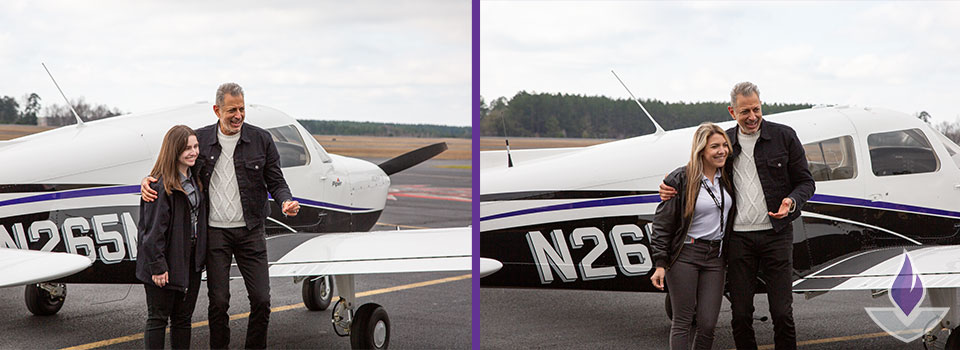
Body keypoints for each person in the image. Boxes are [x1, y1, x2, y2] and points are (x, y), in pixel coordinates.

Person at [142, 83, 301, 349]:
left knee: (261, 300)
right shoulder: (201, 140)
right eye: (231, 110)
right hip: (215, 233)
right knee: (218, 302)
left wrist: (285, 200)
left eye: (242, 108)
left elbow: (276, 180)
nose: (238, 115)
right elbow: (172, 162)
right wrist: (148, 180)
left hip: (251, 232)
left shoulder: (261, 139)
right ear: (217, 110)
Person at [660, 82, 815, 350]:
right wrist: (672, 182)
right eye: (745, 111)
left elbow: (806, 182)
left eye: (756, 109)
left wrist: (791, 201)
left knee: (782, 313)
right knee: (741, 315)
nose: (752, 116)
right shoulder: (725, 143)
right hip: (738, 240)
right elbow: (699, 163)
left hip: (776, 236)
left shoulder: (785, 136)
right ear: (733, 112)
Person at [651, 122, 734, 350]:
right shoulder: (680, 179)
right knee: (683, 322)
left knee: (708, 324)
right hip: (685, 256)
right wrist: (660, 263)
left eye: (724, 145)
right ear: (701, 151)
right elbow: (662, 224)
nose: (722, 151)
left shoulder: (727, 177)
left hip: (715, 258)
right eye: (714, 146)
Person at [136, 125, 207, 349]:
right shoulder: (159, 185)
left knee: (183, 319)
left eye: (196, 146)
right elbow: (151, 231)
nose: (193, 152)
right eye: (187, 148)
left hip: (190, 261)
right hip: (165, 262)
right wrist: (157, 267)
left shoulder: (196, 177)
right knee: (158, 319)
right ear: (173, 150)